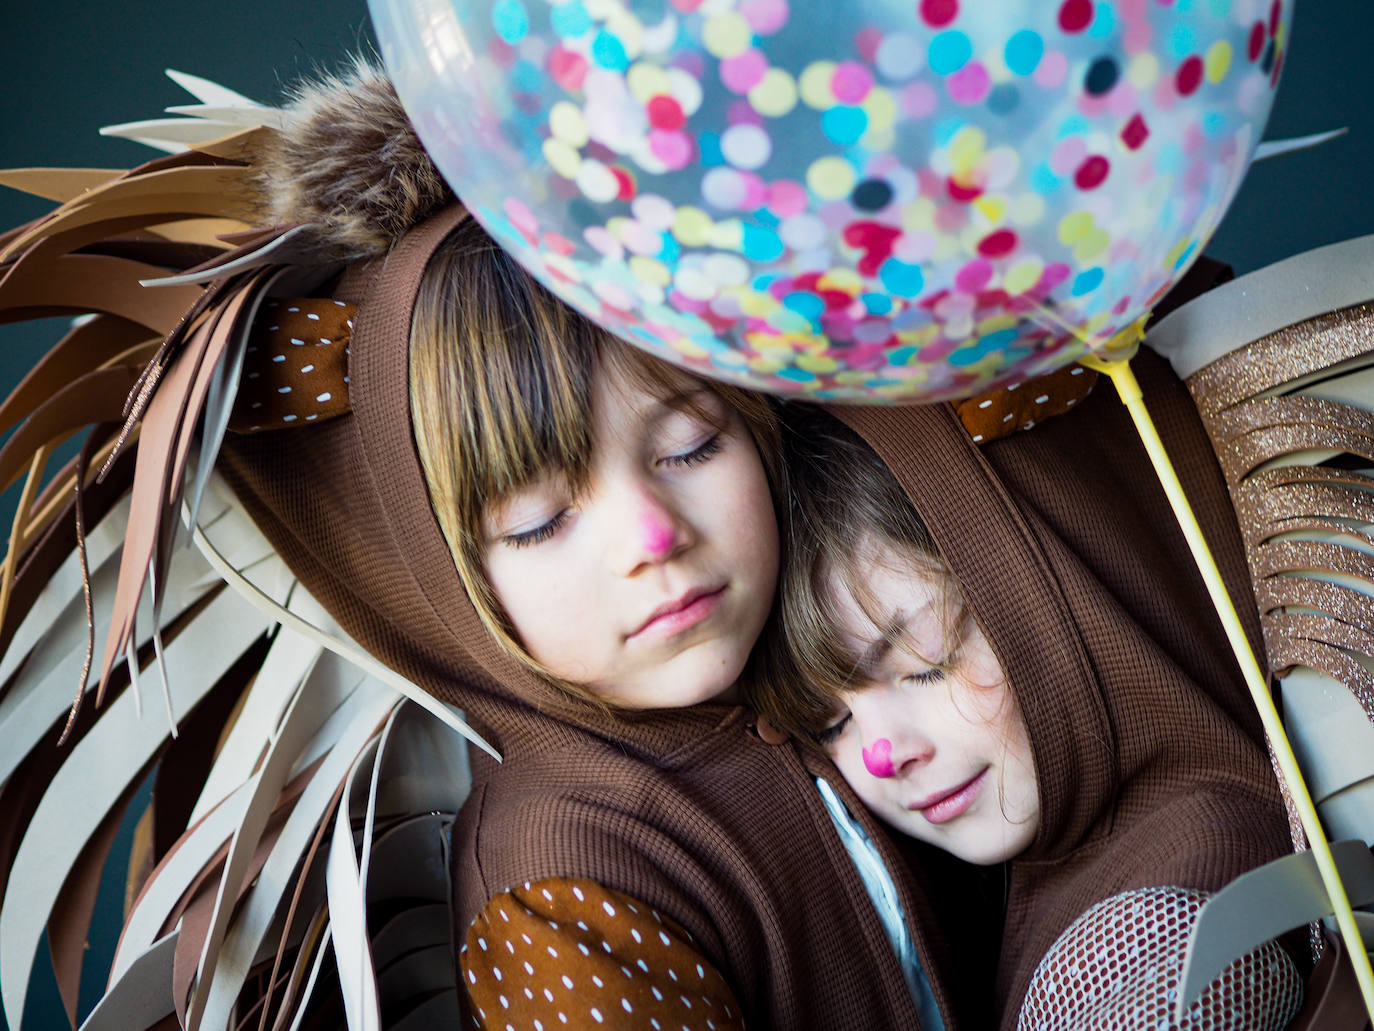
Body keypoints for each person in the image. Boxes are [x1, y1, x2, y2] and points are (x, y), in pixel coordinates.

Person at [0, 62, 958, 1029]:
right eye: (540, 520)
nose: (654, 536)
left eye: (692, 444)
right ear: (442, 581)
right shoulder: (561, 895)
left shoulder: (848, 646)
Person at [752, 401, 1306, 1030]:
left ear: (1058, 594)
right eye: (829, 725)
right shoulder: (1028, 892)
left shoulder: (1172, 919)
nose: (883, 754)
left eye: (926, 663)